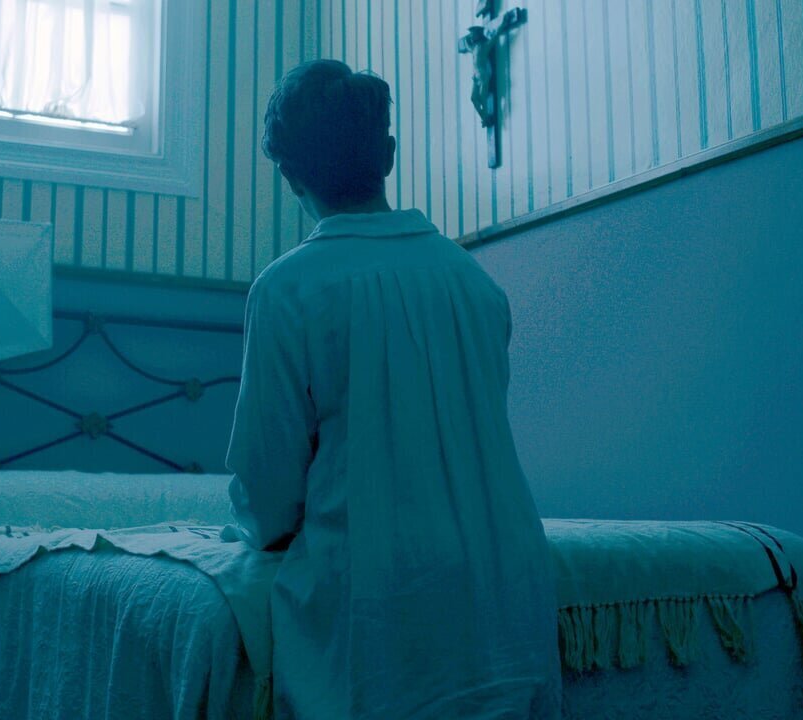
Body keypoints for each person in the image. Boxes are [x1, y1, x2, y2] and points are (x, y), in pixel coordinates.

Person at [225, 59, 562, 720]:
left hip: (377, 608)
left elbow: (267, 493)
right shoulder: (475, 284)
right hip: (510, 591)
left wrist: (256, 528)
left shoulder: (288, 290)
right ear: (389, 154)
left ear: (290, 176)